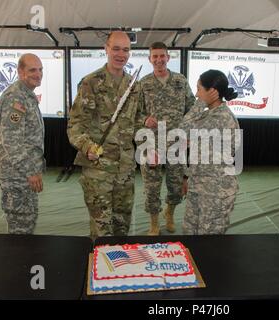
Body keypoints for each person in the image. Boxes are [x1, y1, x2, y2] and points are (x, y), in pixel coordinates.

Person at [67, 31, 146, 240]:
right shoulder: (90, 83)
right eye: (116, 49)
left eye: (126, 50)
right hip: (98, 170)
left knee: (122, 226)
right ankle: (100, 271)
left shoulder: (134, 86)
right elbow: (75, 125)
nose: (121, 54)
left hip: (125, 170)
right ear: (106, 49)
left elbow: (137, 123)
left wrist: (148, 138)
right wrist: (87, 147)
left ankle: (118, 271)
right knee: (102, 230)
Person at [140, 42, 195, 235]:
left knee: (175, 185)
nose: (158, 60)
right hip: (151, 144)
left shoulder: (180, 80)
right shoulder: (144, 84)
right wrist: (144, 119)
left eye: (162, 56)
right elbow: (134, 113)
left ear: (168, 57)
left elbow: (192, 109)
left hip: (176, 143)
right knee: (152, 187)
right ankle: (154, 223)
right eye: (154, 56)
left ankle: (169, 214)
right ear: (149, 59)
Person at [180, 69, 240, 234]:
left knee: (209, 244)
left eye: (199, 89)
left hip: (215, 193)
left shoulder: (221, 118)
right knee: (190, 234)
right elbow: (196, 153)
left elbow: (182, 130)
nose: (197, 95)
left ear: (212, 92)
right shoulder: (208, 115)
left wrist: (199, 104)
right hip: (199, 186)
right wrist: (186, 177)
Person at [0, 53, 45, 234]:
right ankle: (17, 260)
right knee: (20, 226)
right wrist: (30, 171)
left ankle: (21, 258)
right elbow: (11, 141)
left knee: (27, 220)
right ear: (20, 72)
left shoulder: (26, 94)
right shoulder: (15, 97)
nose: (38, 74)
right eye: (32, 70)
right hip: (16, 174)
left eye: (40, 70)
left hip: (22, 171)